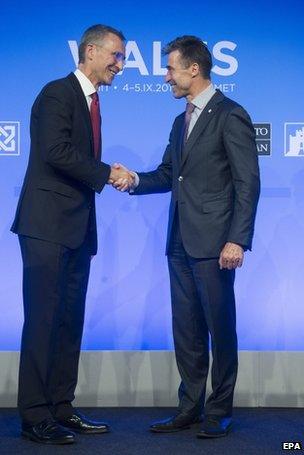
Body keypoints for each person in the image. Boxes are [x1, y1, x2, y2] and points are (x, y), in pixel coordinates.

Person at [114, 35, 260, 438]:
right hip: (179, 240)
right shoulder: (181, 120)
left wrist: (238, 239)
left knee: (219, 327)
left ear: (193, 69)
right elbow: (168, 174)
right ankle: (189, 407)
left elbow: (247, 183)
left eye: (171, 69)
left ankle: (220, 410)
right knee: (188, 329)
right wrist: (134, 180)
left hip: (215, 243)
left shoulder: (231, 115)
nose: (166, 78)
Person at [11, 24, 133, 445]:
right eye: (116, 56)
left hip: (77, 229)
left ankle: (61, 407)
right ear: (92, 52)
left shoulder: (92, 101)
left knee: (68, 322)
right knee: (44, 321)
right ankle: (34, 415)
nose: (121, 65)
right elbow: (55, 152)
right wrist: (107, 173)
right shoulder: (57, 93)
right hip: (46, 227)